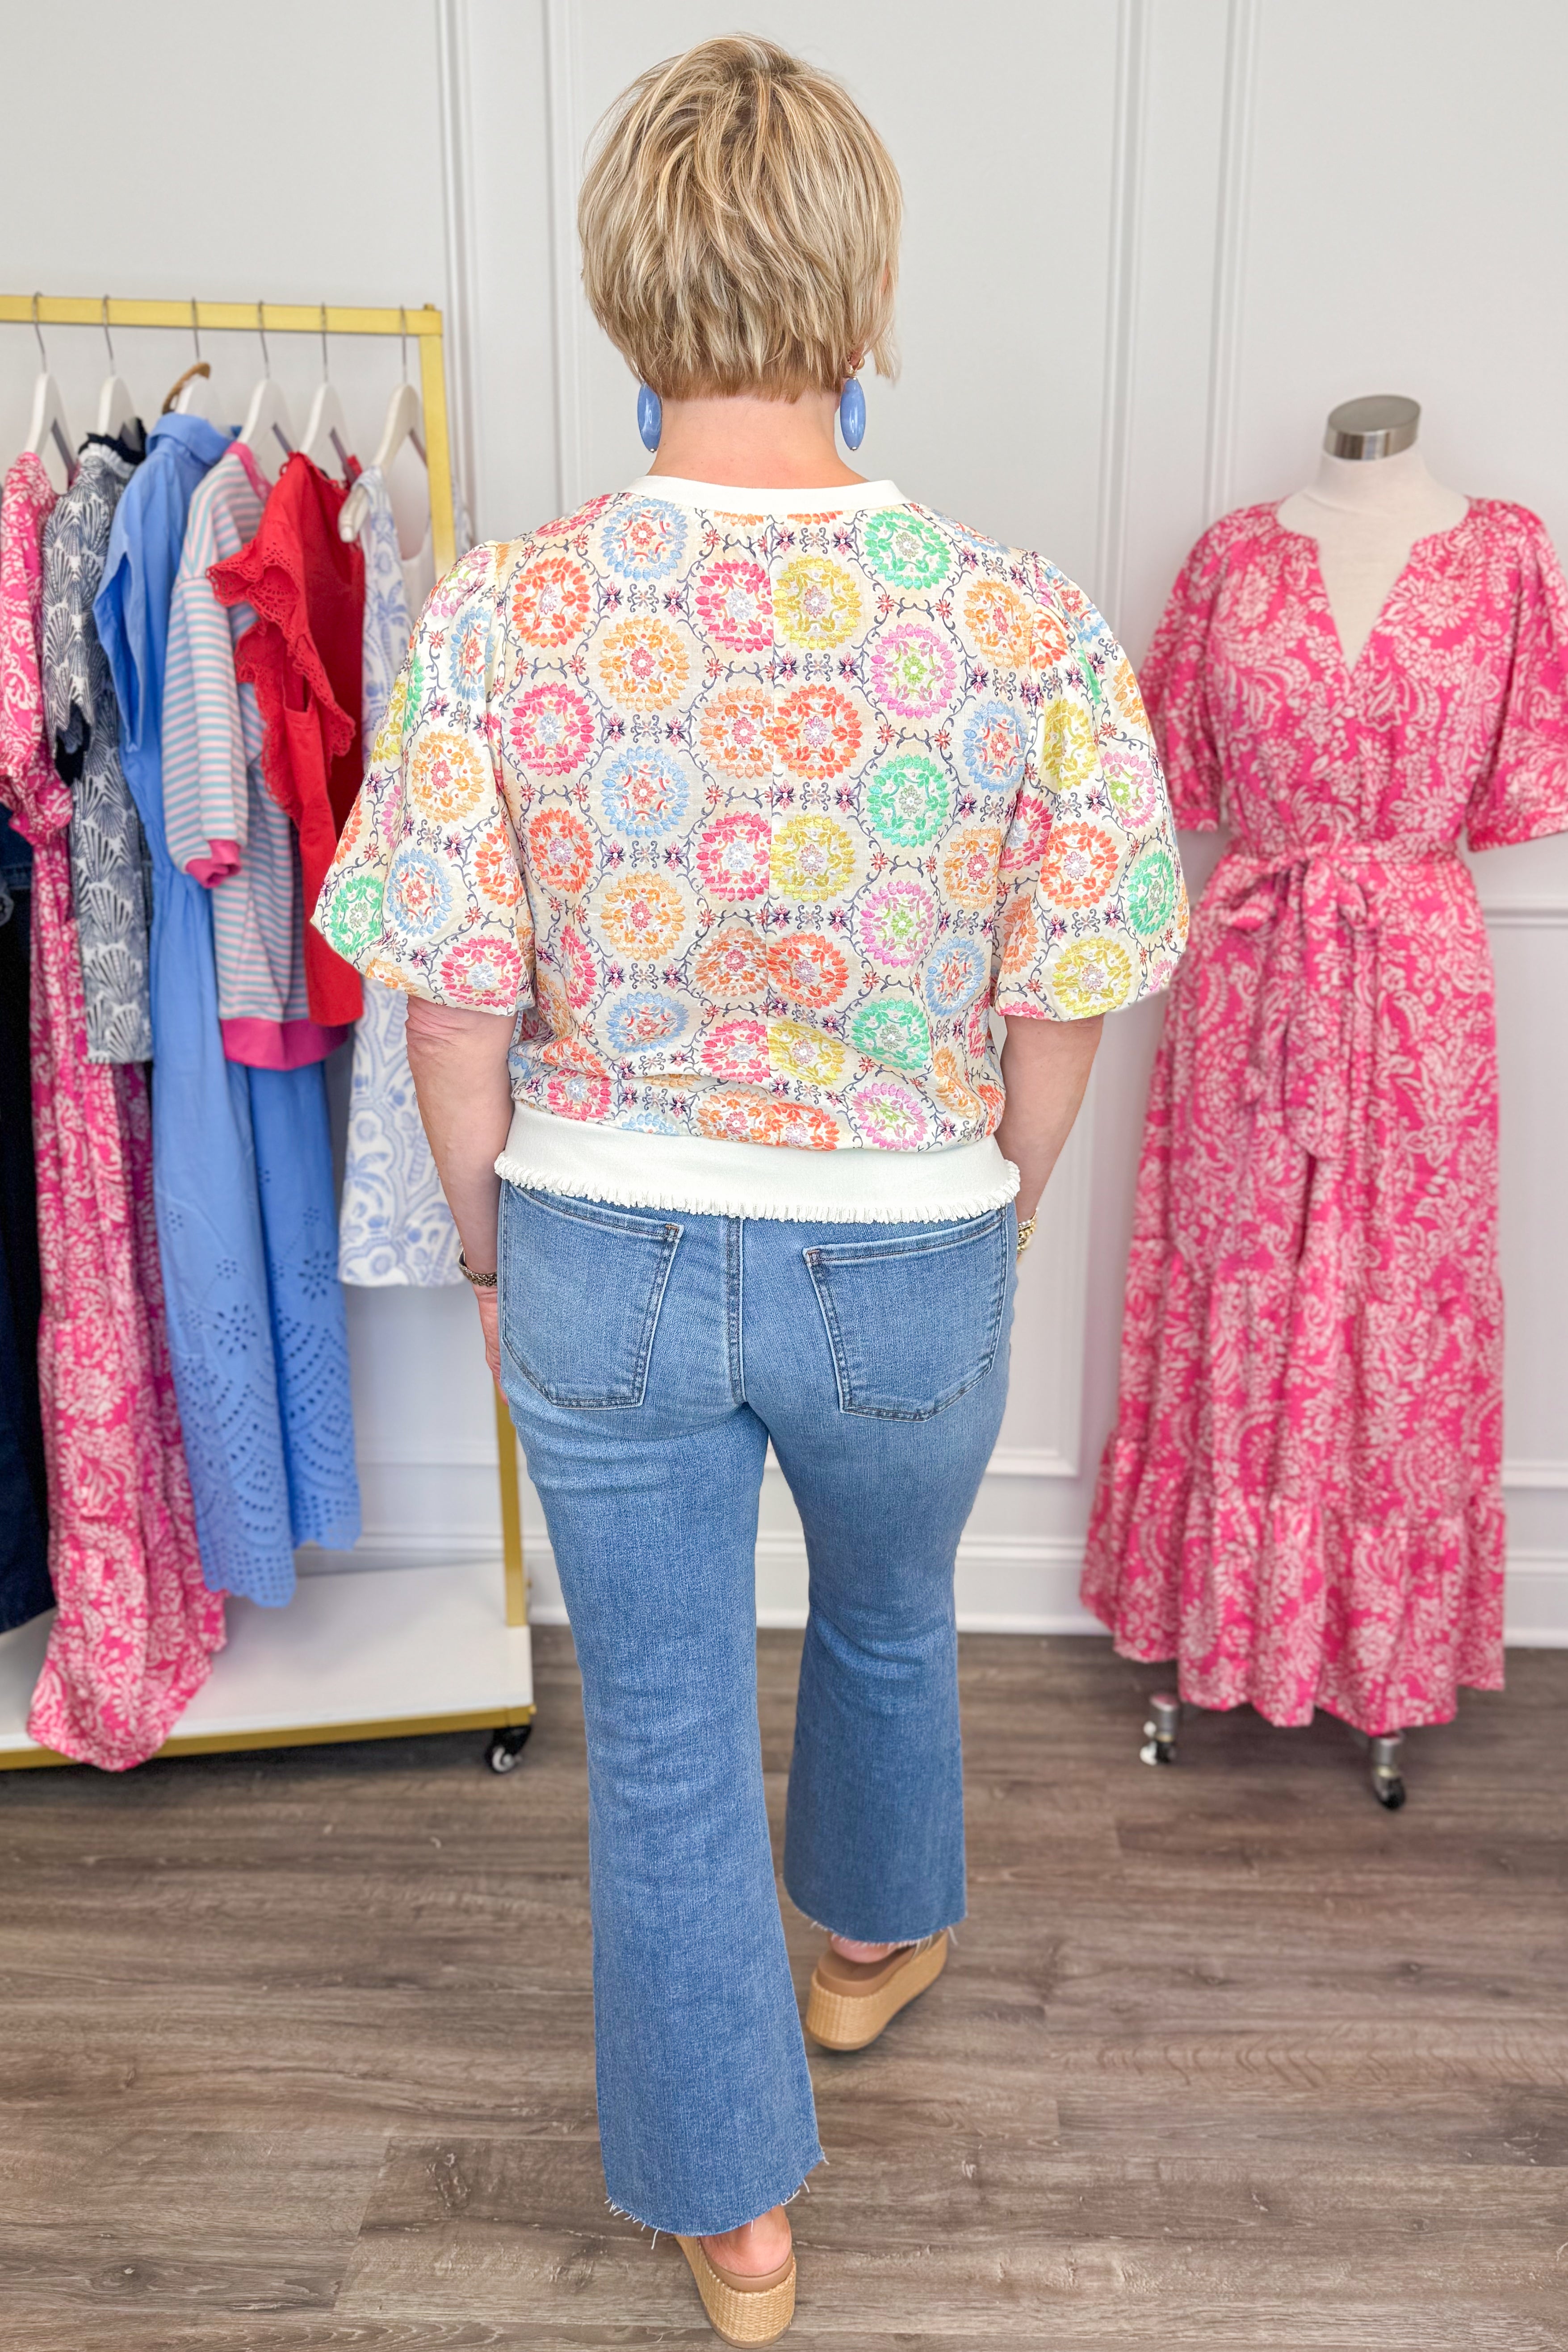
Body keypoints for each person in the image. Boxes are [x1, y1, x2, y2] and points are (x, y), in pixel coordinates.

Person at [316, 36, 1186, 2344]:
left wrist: (499, 1238)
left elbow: (448, 1007)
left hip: (602, 1235)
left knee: (670, 1729)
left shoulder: (500, 619)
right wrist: (994, 1203)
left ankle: (738, 2222)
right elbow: (1069, 985)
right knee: (891, 1621)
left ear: (627, 289)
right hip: (908, 1245)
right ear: (861, 285)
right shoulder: (1024, 630)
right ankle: (870, 1949)